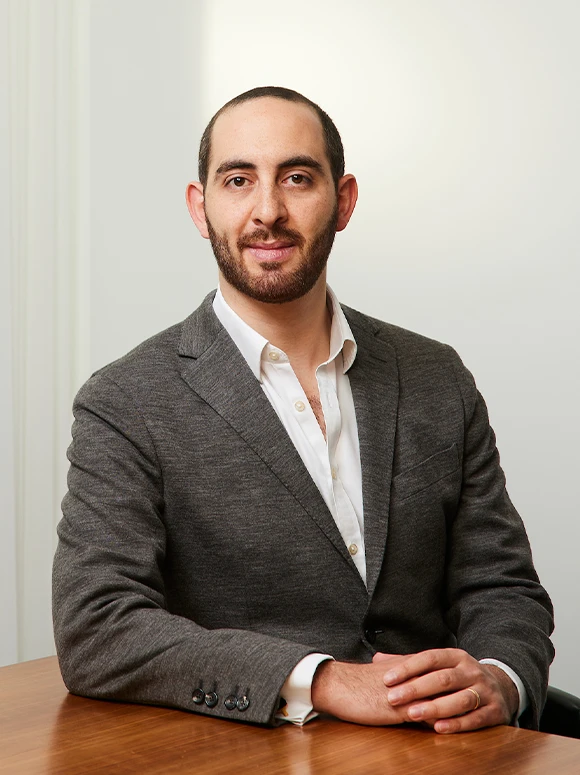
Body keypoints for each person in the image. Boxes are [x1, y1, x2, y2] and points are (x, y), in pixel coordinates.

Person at [53, 86, 554, 733]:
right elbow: (97, 625)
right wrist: (321, 676)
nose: (268, 209)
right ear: (200, 208)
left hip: (447, 750)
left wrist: (500, 678)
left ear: (342, 201)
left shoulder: (436, 375)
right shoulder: (126, 400)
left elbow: (502, 585)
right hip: (256, 751)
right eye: (238, 179)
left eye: (297, 177)